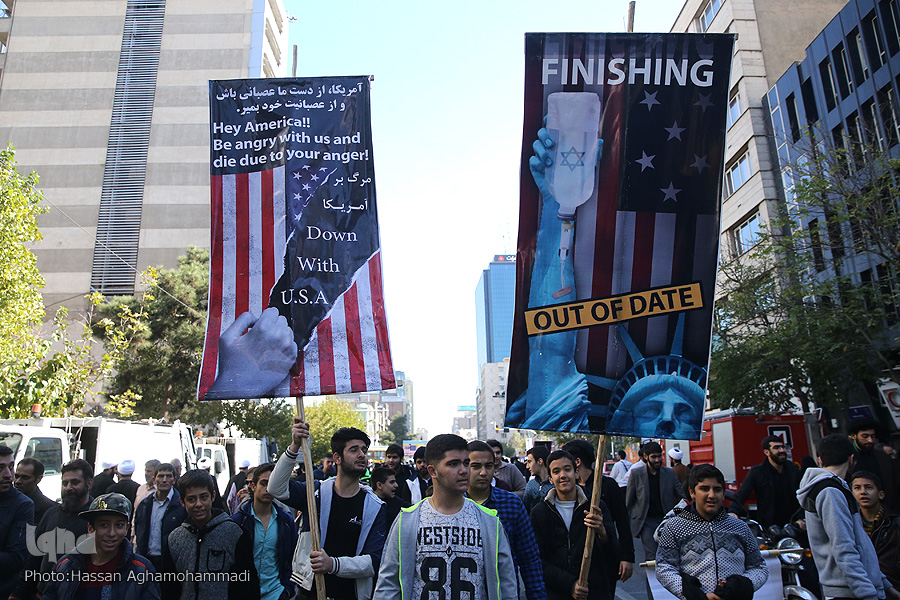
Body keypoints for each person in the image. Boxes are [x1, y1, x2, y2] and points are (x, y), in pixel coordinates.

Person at [373, 434, 517, 600]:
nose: (463, 470)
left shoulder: (489, 522)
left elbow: (506, 585)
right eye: (453, 464)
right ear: (433, 471)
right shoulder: (408, 520)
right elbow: (388, 584)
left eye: (466, 463)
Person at [269, 420, 387, 600]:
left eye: (364, 450)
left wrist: (332, 564)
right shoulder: (315, 493)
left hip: (352, 595)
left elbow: (374, 561)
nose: (362, 455)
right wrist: (294, 446)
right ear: (337, 458)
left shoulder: (374, 506)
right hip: (310, 593)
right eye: (354, 450)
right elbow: (275, 488)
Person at [798, 433, 900, 600]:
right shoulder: (831, 492)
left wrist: (886, 586)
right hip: (849, 592)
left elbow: (861, 545)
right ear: (851, 459)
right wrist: (868, 595)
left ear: (820, 460)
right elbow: (844, 549)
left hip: (853, 588)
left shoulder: (832, 489)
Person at [656, 464, 768, 600]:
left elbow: (759, 567)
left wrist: (740, 586)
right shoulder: (674, 527)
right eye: (704, 489)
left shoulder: (740, 527)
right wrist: (694, 594)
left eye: (717, 489)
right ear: (692, 492)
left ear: (724, 493)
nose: (711, 495)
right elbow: (664, 566)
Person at [530, 449, 616, 600]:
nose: (563, 475)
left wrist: (602, 532)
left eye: (567, 469)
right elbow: (537, 560)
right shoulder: (540, 512)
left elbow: (613, 553)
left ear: (576, 473)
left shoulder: (595, 507)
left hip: (594, 591)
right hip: (557, 592)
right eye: (556, 471)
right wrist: (570, 584)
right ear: (550, 478)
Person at [41, 493, 160, 600]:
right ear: (91, 528)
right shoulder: (66, 566)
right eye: (104, 525)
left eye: (119, 525)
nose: (112, 533)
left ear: (126, 529)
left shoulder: (142, 569)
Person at [163, 469, 260, 600]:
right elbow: (169, 588)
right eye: (191, 499)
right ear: (182, 502)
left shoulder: (235, 534)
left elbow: (248, 586)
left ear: (213, 496)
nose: (198, 504)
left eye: (203, 497)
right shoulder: (174, 539)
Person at [467, 440, 547, 600]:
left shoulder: (512, 504)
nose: (483, 472)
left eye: (488, 466)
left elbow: (529, 559)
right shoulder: (454, 503)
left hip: (504, 592)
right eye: (475, 466)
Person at [11, 458, 94, 600]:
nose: (68, 487)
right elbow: (34, 560)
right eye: (65, 483)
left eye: (75, 482)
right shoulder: (51, 514)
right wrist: (17, 594)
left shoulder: (97, 518)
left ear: (89, 483)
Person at [562, 438, 634, 593]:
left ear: (577, 461)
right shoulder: (568, 489)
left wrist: (627, 557)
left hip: (604, 559)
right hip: (575, 563)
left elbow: (622, 522)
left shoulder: (608, 486)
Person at [232, 462, 298, 600]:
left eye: (272, 483)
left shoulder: (286, 522)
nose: (268, 488)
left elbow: (292, 560)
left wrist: (286, 591)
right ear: (253, 486)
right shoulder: (238, 521)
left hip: (276, 593)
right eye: (263, 483)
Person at [625, 441, 684, 560]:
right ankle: (651, 579)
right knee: (652, 557)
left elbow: (682, 496)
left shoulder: (669, 473)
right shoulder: (636, 474)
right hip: (646, 521)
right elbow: (629, 501)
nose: (657, 460)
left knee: (667, 556)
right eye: (654, 457)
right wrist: (630, 521)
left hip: (666, 520)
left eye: (659, 456)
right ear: (646, 457)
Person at [730, 435, 802, 528]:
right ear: (766, 452)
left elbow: (803, 496)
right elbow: (742, 494)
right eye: (776, 448)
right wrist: (733, 512)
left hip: (793, 525)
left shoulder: (794, 470)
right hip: (768, 526)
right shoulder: (757, 472)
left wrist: (801, 518)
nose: (781, 450)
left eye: (783, 447)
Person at [850, 470, 900, 587]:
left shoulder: (895, 524)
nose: (863, 492)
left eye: (869, 488)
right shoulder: (850, 525)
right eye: (857, 488)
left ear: (881, 494)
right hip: (863, 585)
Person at [134, 462, 186, 571]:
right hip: (146, 561)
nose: (164, 480)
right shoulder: (145, 505)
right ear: (154, 480)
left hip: (170, 564)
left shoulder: (181, 505)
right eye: (161, 476)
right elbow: (138, 529)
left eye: (168, 476)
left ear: (174, 480)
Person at [1, 445, 34, 600]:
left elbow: (18, 558)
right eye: (0, 468)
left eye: (11, 467)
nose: (8, 474)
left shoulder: (22, 505)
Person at [849, 419, 900, 510]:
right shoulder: (847, 459)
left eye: (873, 436)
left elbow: (895, 484)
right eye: (865, 436)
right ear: (853, 436)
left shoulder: (883, 458)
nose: (870, 440)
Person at [14, 457, 56, 524]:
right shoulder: (6, 502)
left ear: (38, 479)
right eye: (16, 476)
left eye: (25, 477)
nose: (17, 481)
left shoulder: (49, 510)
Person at [524, 444, 554, 513]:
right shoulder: (530, 484)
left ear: (540, 461)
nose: (527, 467)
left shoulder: (556, 484)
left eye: (529, 462)